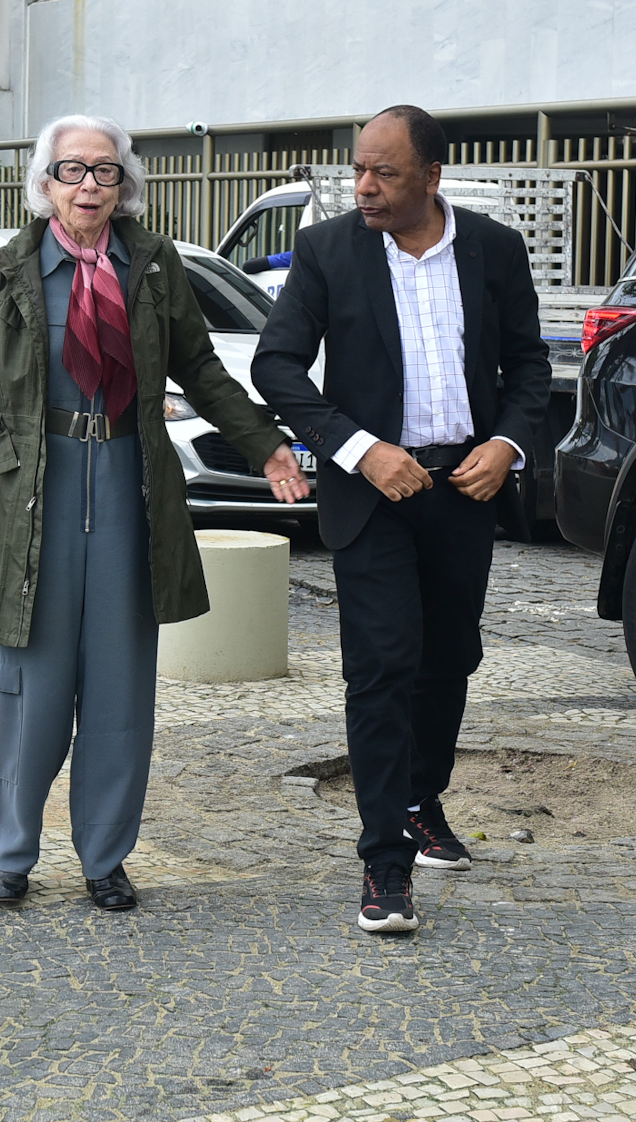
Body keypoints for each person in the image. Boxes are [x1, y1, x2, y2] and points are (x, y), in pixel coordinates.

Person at [0, 114, 312, 912]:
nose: (89, 185)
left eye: (105, 171)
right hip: (39, 491)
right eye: (72, 170)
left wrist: (266, 445)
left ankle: (105, 856)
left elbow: (199, 368)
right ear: (45, 181)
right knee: (33, 688)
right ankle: (12, 853)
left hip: (131, 481)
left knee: (122, 690)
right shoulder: (11, 266)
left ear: (125, 184)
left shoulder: (153, 264)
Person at [252, 105, 550, 935]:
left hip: (465, 484)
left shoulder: (494, 249)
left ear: (432, 176)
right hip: (374, 491)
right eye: (358, 170)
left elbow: (530, 365)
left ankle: (422, 800)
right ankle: (384, 863)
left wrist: (511, 442)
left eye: (384, 172)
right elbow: (277, 365)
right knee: (380, 666)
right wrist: (355, 448)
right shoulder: (327, 250)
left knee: (450, 657)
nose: (365, 186)